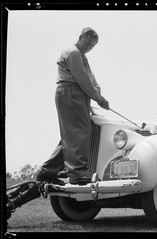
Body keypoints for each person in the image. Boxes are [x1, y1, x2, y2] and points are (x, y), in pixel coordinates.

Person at [36, 27, 109, 185]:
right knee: (80, 132)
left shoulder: (81, 55)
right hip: (71, 92)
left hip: (77, 94)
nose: (89, 47)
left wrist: (97, 95)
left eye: (92, 46)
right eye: (88, 43)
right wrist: (98, 98)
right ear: (80, 37)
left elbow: (91, 78)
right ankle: (77, 172)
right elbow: (83, 79)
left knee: (71, 135)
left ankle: (47, 171)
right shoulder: (73, 53)